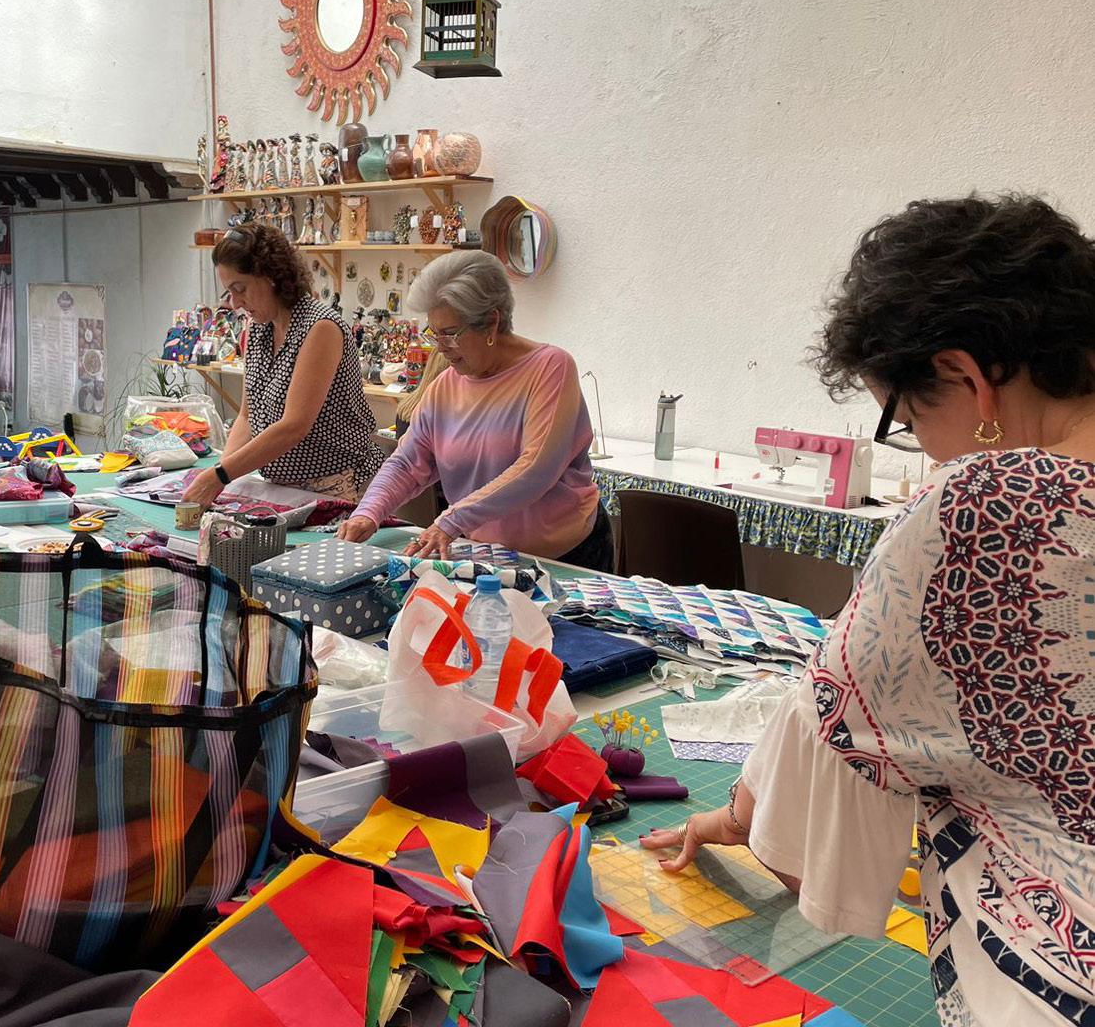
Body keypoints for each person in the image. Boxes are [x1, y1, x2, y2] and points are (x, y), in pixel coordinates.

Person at [642, 196, 1095, 1026]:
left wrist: (739, 817)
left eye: (910, 417)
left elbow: (840, 708)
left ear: (967, 378)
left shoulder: (993, 505)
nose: (923, 447)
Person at [340, 251, 610, 565]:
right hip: (488, 553)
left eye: (450, 334)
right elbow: (408, 462)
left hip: (564, 554)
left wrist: (451, 521)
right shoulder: (446, 386)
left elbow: (536, 468)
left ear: (492, 322)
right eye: (434, 333)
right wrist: (368, 512)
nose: (440, 347)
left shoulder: (550, 368)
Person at [182, 224, 384, 506]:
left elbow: (294, 426)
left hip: (337, 486)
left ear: (271, 276)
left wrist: (221, 475)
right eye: (230, 292)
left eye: (240, 289)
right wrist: (219, 477)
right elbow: (247, 417)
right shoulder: (258, 328)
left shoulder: (320, 328)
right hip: (283, 487)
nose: (236, 303)